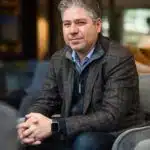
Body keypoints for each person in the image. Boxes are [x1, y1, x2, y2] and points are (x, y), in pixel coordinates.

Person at [17, 0, 144, 150]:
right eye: (67, 24)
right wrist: (31, 123)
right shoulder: (59, 58)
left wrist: (55, 125)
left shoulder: (119, 57)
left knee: (86, 142)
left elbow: (111, 117)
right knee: (31, 140)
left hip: (115, 132)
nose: (72, 30)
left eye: (80, 23)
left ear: (97, 26)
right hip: (71, 129)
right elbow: (47, 100)